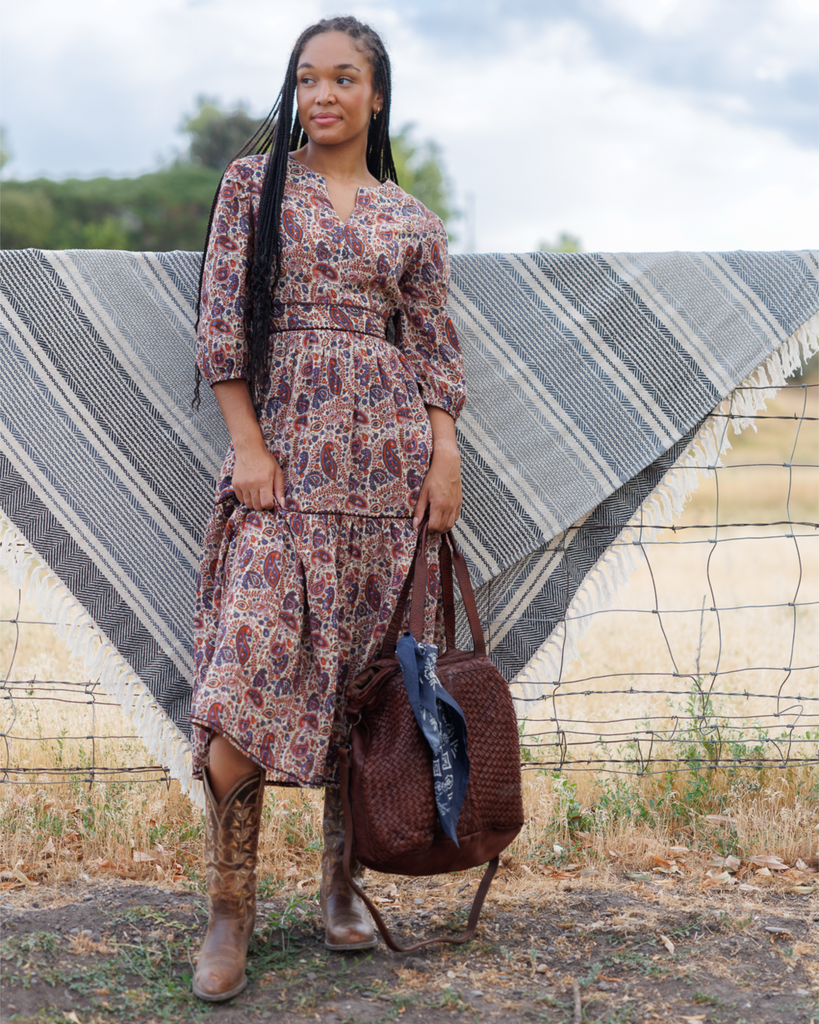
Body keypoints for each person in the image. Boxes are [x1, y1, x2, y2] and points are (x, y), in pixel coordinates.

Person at [190, 15, 466, 1002]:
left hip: (388, 475)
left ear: (376, 95)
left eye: (343, 78)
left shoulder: (411, 221)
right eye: (307, 79)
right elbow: (221, 323)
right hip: (285, 466)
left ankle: (341, 883)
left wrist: (444, 455)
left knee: (365, 688)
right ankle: (230, 908)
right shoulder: (253, 187)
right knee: (245, 671)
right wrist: (247, 446)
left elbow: (432, 347)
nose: (322, 95)